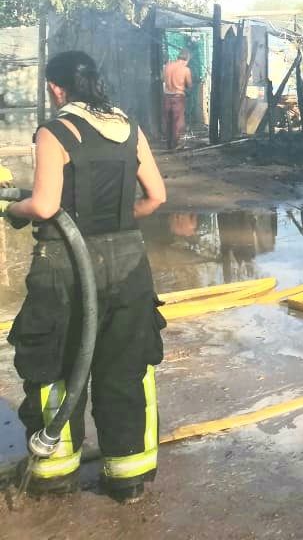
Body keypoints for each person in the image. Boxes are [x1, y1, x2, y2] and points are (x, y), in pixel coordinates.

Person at [2, 51, 167, 503]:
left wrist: (8, 207)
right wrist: (115, 224)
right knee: (125, 366)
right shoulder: (130, 128)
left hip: (64, 265)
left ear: (57, 88)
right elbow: (156, 196)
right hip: (130, 264)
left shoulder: (55, 131)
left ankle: (54, 474)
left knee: (55, 363)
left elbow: (44, 205)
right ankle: (130, 478)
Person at [161, 48, 193, 150]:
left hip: (166, 96)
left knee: (168, 121)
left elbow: (163, 79)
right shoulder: (185, 69)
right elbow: (189, 85)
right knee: (177, 122)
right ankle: (175, 144)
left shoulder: (167, 66)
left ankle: (169, 144)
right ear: (187, 59)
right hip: (178, 97)